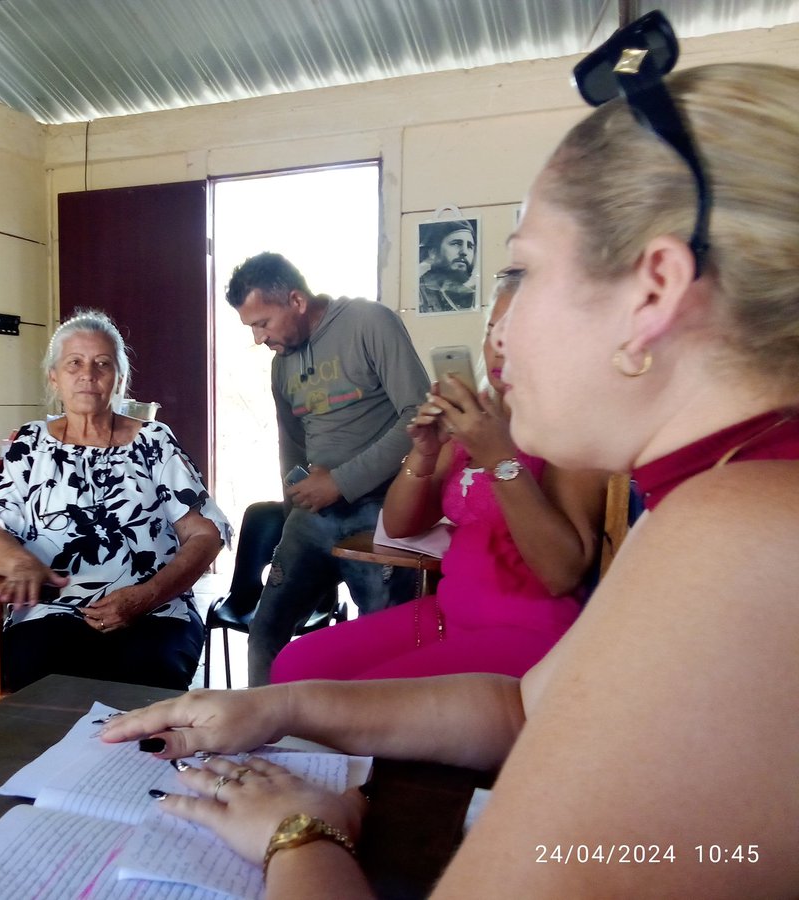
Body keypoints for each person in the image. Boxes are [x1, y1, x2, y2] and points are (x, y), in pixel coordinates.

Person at [103, 53, 799, 897]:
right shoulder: (732, 491)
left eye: (522, 270)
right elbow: (519, 710)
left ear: (653, 292)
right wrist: (279, 708)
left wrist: (299, 835)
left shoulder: (743, 529)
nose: (497, 334)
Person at [271, 276, 608, 683]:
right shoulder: (479, 418)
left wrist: (498, 457)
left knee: (362, 699)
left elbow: (561, 573)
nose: (499, 344)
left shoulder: (577, 432)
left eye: (518, 330)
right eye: (492, 330)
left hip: (526, 629)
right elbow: (399, 525)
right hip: (450, 614)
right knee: (295, 665)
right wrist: (425, 452)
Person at [0, 309, 230, 692]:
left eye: (102, 364)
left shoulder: (154, 443)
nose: (88, 375)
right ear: (54, 377)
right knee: (36, 674)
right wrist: (21, 563)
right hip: (52, 612)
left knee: (148, 675)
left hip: (155, 611)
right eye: (74, 363)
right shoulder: (28, 446)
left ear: (120, 379)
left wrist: (146, 596)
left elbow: (205, 536)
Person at [226, 252, 430, 685]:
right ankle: (258, 740)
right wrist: (291, 514)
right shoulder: (282, 365)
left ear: (296, 300)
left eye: (263, 323)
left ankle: (372, 749)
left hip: (380, 512)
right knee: (264, 636)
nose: (260, 339)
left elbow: (420, 415)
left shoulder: (368, 322)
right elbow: (292, 443)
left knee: (383, 651)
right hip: (312, 518)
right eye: (252, 329)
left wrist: (341, 482)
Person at [418, 220, 478, 313]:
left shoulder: (473, 296)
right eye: (456, 243)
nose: (464, 252)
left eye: (470, 246)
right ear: (433, 252)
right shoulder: (418, 293)